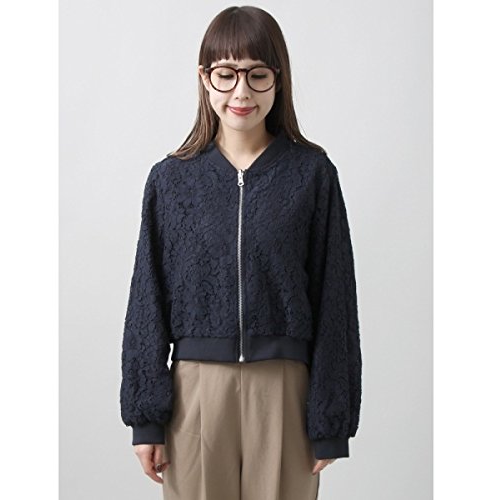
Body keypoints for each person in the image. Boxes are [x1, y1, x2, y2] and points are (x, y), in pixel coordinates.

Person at [120, 5, 362, 499]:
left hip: (284, 391)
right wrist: (147, 419)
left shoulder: (312, 175)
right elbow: (147, 301)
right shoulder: (171, 180)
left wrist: (331, 419)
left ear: (278, 79)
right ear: (205, 79)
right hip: (195, 393)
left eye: (257, 75)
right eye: (226, 74)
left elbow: (335, 299)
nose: (241, 92)